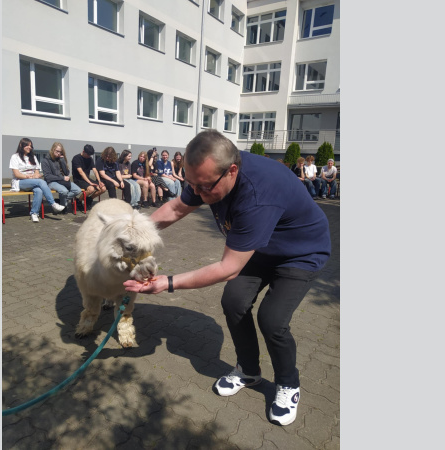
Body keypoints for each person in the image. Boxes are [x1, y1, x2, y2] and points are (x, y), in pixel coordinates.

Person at [124, 130, 331, 427]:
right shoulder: (208, 174)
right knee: (234, 302)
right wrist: (133, 235)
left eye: (205, 187)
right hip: (258, 246)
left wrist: (166, 283)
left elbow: (228, 268)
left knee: (272, 320)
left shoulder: (257, 195)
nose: (198, 193)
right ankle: (248, 370)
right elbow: (177, 207)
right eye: (192, 184)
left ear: (232, 170)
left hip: (300, 252)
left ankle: (288, 383)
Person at [9, 138, 66, 222]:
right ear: (21, 145)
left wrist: (36, 175)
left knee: (39, 191)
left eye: (31, 146)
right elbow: (17, 174)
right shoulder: (15, 157)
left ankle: (34, 213)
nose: (29, 147)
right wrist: (29, 177)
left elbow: (36, 171)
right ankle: (53, 203)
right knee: (41, 181)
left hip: (32, 181)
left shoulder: (33, 157)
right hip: (19, 182)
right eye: (27, 145)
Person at [41, 142, 82, 213]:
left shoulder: (60, 159)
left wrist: (63, 161)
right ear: (52, 149)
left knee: (78, 190)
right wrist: (62, 178)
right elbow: (48, 176)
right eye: (57, 151)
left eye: (60, 152)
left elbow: (66, 173)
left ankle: (61, 202)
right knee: (64, 191)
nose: (59, 153)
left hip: (62, 181)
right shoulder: (45, 161)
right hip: (51, 182)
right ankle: (63, 207)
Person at [71, 144, 106, 210]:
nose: (89, 156)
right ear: (84, 151)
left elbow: (95, 170)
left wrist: (99, 181)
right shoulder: (76, 158)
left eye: (90, 155)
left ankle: (89, 199)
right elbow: (81, 172)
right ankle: (79, 201)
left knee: (103, 188)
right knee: (91, 189)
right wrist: (90, 183)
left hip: (87, 179)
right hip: (78, 180)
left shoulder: (90, 159)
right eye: (88, 154)